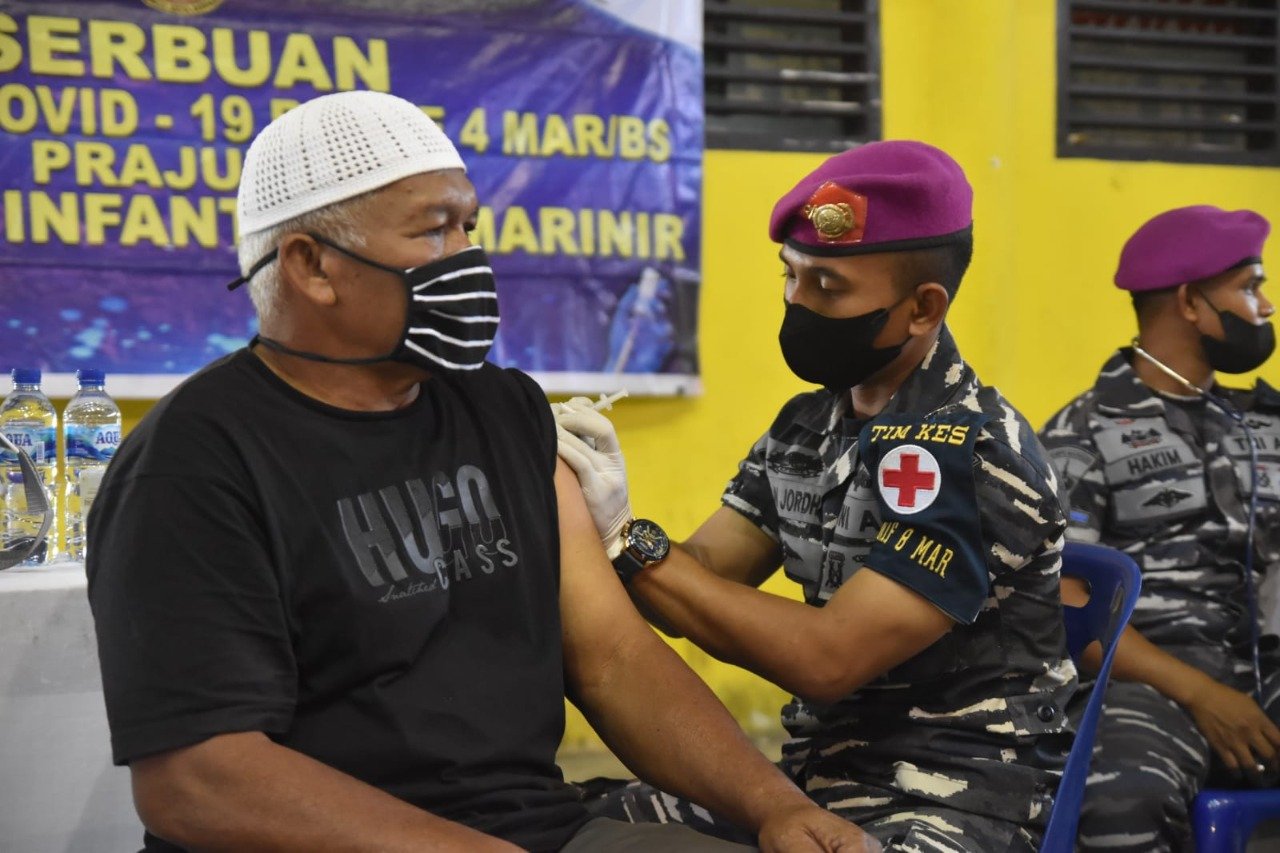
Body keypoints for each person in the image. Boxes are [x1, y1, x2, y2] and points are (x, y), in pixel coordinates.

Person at [84, 90, 879, 853]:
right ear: (312, 265)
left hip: (538, 827)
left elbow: (612, 656)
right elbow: (199, 778)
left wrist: (778, 808)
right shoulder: (194, 465)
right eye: (434, 232)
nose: (469, 258)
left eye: (470, 225)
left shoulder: (504, 410)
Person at [555, 140, 1077, 852]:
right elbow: (703, 573)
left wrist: (630, 541)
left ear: (923, 308)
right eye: (790, 276)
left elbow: (826, 659)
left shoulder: (974, 453)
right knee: (565, 823)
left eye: (827, 287)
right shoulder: (809, 426)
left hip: (957, 798)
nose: (797, 303)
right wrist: (590, 514)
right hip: (815, 779)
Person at [1038, 205, 1280, 852]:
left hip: (1270, 670)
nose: (1265, 305)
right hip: (1148, 681)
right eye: (1249, 287)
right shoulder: (1081, 434)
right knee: (1120, 798)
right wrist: (1202, 692)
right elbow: (1068, 614)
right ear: (1190, 304)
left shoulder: (1267, 423)